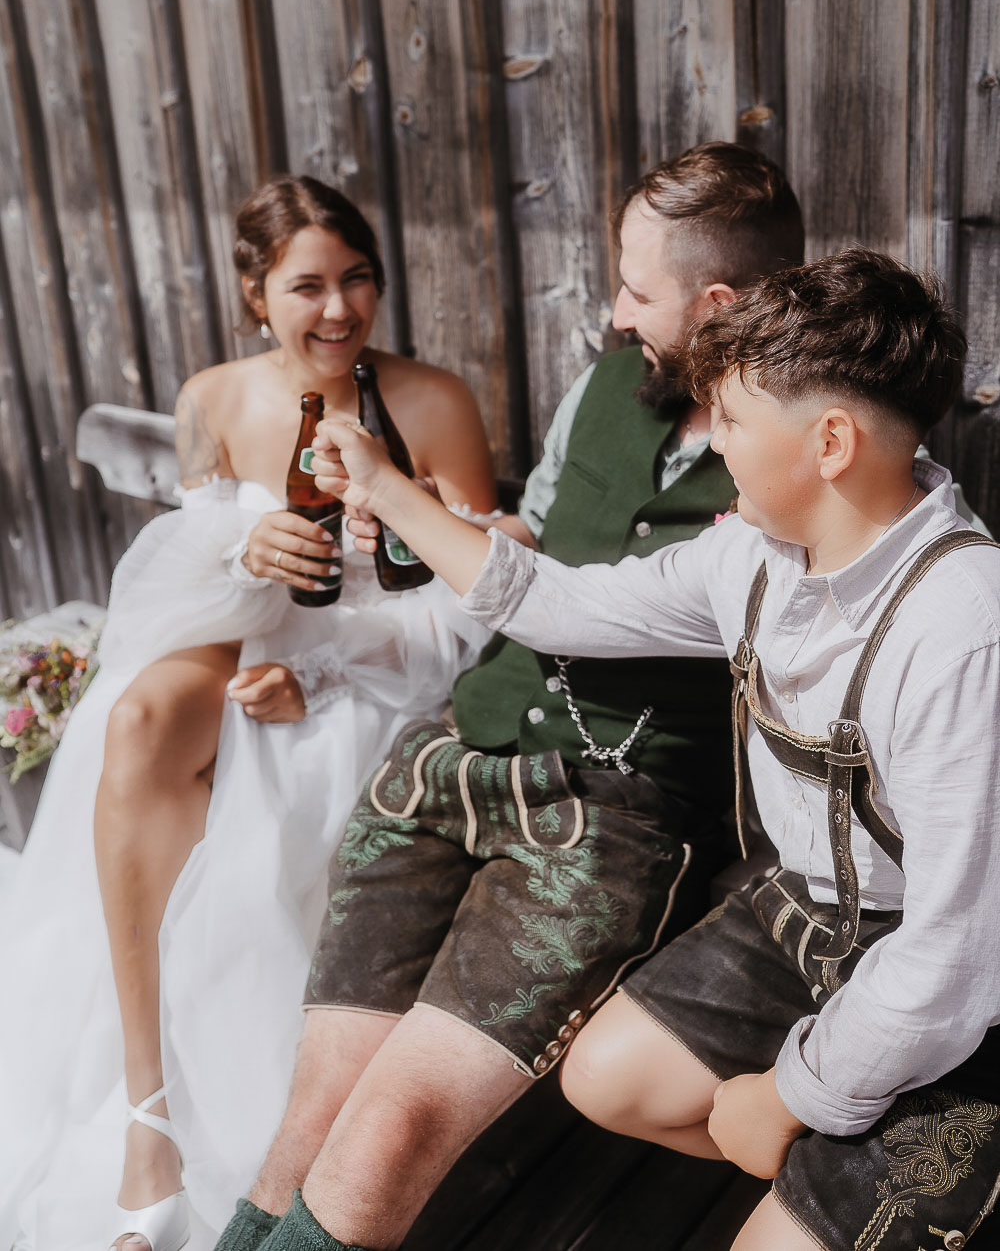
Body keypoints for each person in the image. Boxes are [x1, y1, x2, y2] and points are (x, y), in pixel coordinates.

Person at [299, 246, 1000, 1251]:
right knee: (605, 1077)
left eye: (736, 423)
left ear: (831, 443)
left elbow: (956, 957)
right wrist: (388, 487)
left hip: (960, 982)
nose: (718, 446)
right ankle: (837, 1171)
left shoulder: (963, 629)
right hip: (813, 918)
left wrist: (790, 1097)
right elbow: (558, 603)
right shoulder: (752, 552)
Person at [212, 142, 806, 1251]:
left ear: (718, 305)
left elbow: (577, 610)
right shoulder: (605, 387)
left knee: (388, 1136)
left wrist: (399, 491)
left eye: (636, 291)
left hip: (606, 813)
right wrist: (434, 519)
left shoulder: (788, 465)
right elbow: (531, 539)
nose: (616, 314)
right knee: (312, 1120)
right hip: (449, 758)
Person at [0, 176, 496, 1251]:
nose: (339, 309)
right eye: (307, 286)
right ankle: (147, 1111)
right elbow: (164, 602)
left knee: (271, 769)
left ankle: (265, 1113)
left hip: (376, 669)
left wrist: (322, 677)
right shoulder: (209, 401)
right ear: (254, 293)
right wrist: (240, 550)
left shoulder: (433, 403)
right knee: (136, 721)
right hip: (242, 638)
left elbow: (470, 607)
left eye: (357, 278)